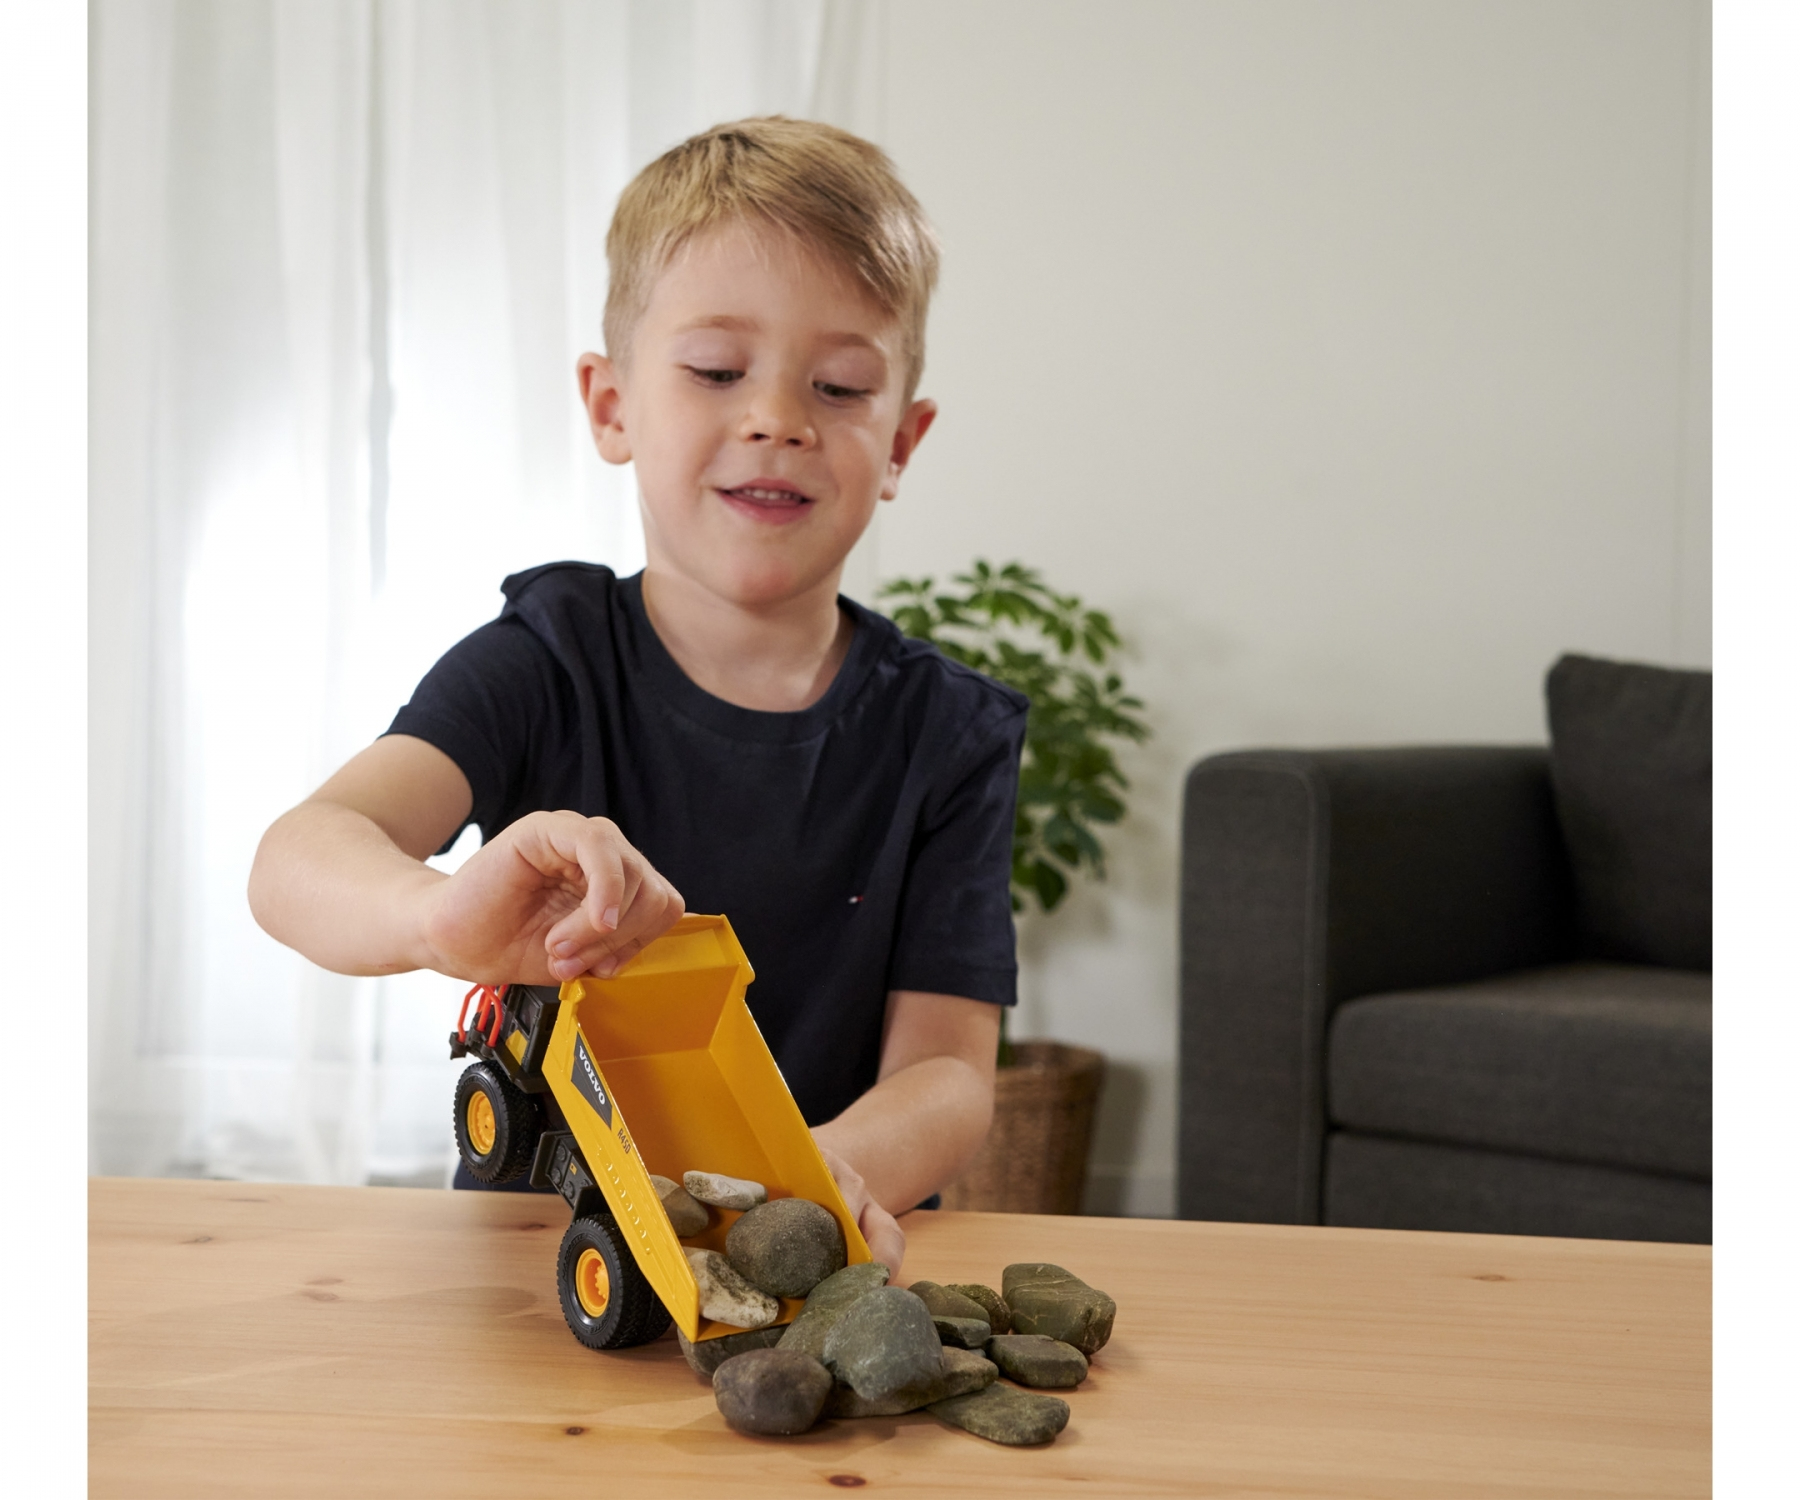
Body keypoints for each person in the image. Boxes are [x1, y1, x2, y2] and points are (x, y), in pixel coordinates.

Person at [248, 117, 1026, 1278]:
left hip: (811, 1258)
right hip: (536, 1270)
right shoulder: (543, 659)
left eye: (841, 386)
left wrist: (809, 1180)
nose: (777, 418)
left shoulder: (948, 733)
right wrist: (435, 916)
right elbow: (298, 857)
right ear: (611, 405)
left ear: (902, 442)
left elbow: (949, 1072)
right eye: (716, 371)